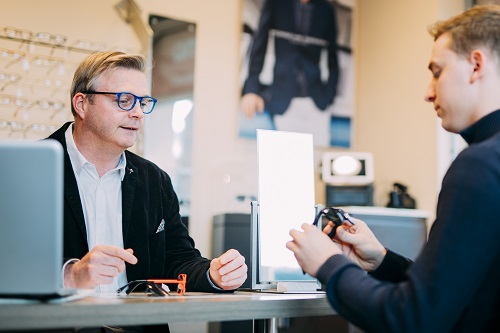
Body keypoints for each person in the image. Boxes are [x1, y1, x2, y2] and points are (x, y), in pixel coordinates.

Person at [286, 5, 500, 332]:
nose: (428, 92)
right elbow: (461, 292)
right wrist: (383, 261)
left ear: (475, 65)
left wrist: (328, 264)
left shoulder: (479, 166)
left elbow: (413, 318)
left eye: (437, 71)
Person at [46, 51, 247, 332]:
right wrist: (69, 276)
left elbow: (177, 259)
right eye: (124, 100)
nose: (138, 113)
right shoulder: (33, 167)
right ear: (82, 104)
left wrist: (213, 274)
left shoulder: (155, 180)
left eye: (143, 102)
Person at [241, 0, 339, 146]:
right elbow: (259, 44)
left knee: (319, 159)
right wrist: (251, 88)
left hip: (317, 101)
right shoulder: (276, 4)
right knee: (284, 158)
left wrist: (329, 96)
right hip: (283, 99)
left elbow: (333, 57)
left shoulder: (326, 10)